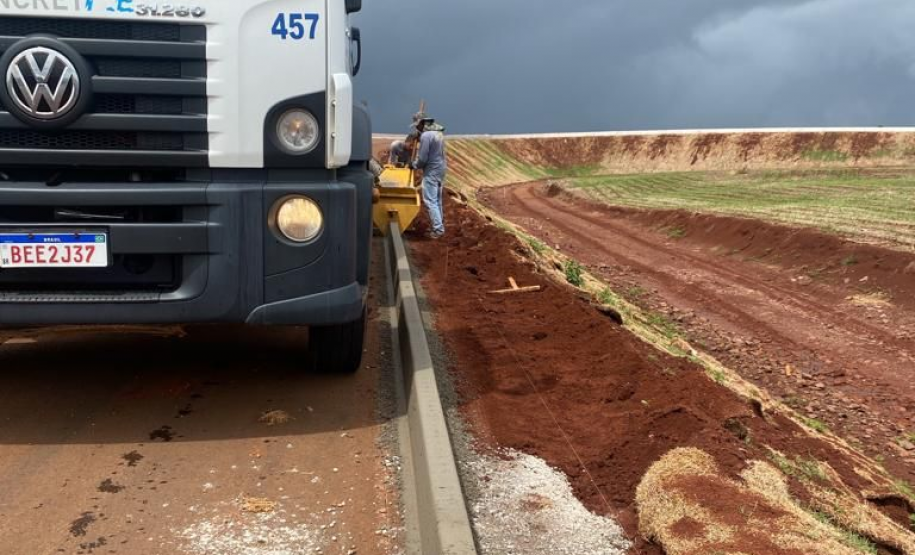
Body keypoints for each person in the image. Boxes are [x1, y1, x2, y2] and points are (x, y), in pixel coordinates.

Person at [412, 117, 447, 239]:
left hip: (432, 170)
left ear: (422, 124)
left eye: (418, 126)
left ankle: (438, 229)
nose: (417, 129)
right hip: (440, 169)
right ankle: (438, 227)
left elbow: (422, 158)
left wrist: (414, 165)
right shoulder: (438, 133)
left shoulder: (426, 136)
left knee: (430, 200)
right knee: (437, 200)